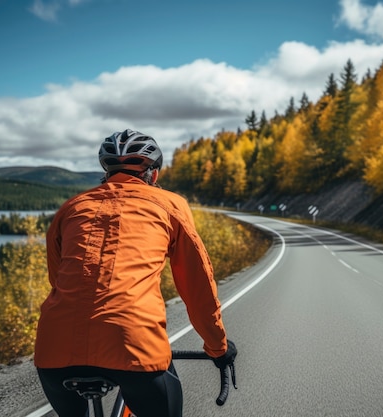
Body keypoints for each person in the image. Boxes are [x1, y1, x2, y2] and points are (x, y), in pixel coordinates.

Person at [34, 129, 237, 417]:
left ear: (107, 170)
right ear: (153, 174)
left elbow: (59, 281)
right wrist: (218, 348)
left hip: (54, 349)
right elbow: (198, 288)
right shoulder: (170, 205)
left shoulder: (71, 208)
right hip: (134, 345)